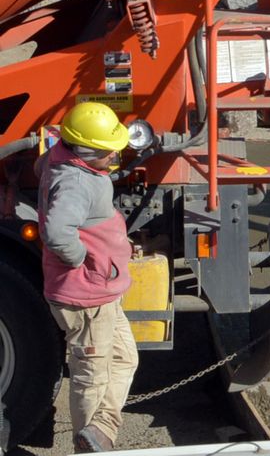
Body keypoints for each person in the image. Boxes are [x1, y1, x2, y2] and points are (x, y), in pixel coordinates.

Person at [36, 102, 139, 454]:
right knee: (90, 376)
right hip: (85, 296)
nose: (114, 154)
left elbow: (39, 167)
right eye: (108, 150)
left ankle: (100, 429)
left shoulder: (57, 157)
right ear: (85, 150)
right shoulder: (79, 182)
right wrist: (87, 262)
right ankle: (88, 448)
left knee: (125, 358)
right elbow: (56, 232)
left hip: (99, 293)